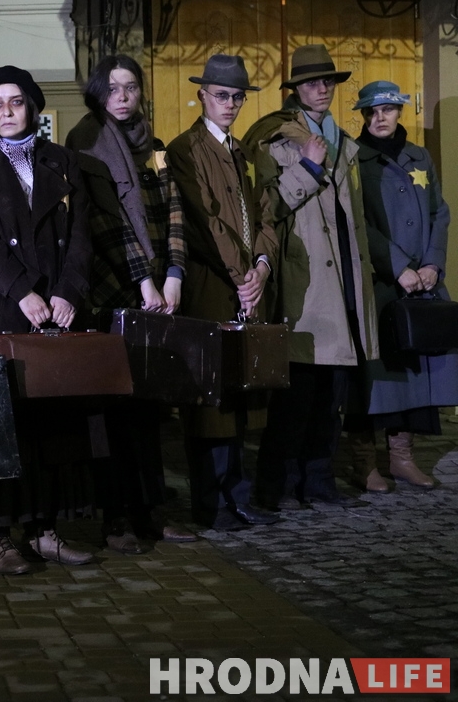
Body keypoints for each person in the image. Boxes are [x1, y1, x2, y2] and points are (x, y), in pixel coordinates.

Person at [0, 65, 96, 573]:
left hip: (57, 306)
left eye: (16, 102)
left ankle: (44, 530)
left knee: (49, 423)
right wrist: (22, 292)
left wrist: (68, 292)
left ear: (32, 107)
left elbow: (81, 234)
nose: (7, 112)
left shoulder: (62, 160)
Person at [65, 54, 197, 550]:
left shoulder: (153, 146)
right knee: (112, 412)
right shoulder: (85, 143)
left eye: (131, 88)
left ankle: (151, 512)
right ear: (98, 93)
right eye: (113, 88)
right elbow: (102, 220)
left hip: (159, 292)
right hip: (113, 292)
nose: (122, 97)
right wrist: (143, 281)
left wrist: (175, 274)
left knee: (148, 409)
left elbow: (174, 211)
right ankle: (116, 518)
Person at [243, 45, 378, 511]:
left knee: (331, 396)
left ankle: (318, 481)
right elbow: (264, 209)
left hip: (344, 281)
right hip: (305, 283)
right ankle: (277, 484)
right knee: (296, 397)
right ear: (296, 90)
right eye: (312, 83)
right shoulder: (275, 139)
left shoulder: (342, 140)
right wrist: (307, 167)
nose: (322, 89)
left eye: (328, 82)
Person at [166, 55, 281, 531]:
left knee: (242, 391)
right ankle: (210, 503)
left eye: (237, 97)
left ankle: (238, 495)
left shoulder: (244, 152)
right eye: (221, 96)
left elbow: (267, 213)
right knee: (211, 399)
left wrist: (262, 267)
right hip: (212, 283)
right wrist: (241, 276)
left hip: (246, 285)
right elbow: (204, 219)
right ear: (202, 96)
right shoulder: (186, 148)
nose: (230, 104)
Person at [346, 81, 455, 492]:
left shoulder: (419, 156)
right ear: (364, 116)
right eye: (372, 112)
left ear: (399, 112)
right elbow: (356, 220)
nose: (380, 118)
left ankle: (402, 458)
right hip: (380, 283)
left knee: (412, 372)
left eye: (388, 110)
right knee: (374, 376)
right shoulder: (354, 157)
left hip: (422, 284)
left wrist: (432, 263)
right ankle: (364, 462)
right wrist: (397, 266)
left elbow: (439, 212)